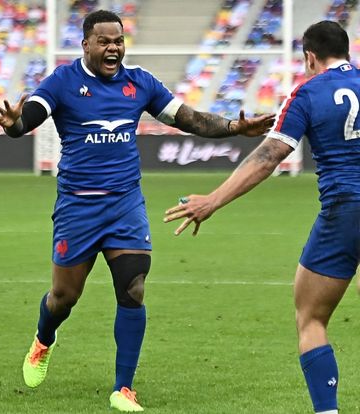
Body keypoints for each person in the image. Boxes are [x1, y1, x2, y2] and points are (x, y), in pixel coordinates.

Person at [0, 9, 275, 411]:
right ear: (86, 44)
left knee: (133, 288)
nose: (113, 48)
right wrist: (14, 125)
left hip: (125, 204)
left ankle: (123, 388)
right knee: (63, 296)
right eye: (105, 41)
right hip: (78, 206)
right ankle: (43, 339)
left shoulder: (139, 83)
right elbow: (28, 118)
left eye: (118, 41)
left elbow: (189, 119)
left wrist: (234, 127)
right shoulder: (62, 82)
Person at [164, 21, 359, 414]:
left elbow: (269, 157)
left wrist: (213, 201)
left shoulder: (307, 93)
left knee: (311, 318)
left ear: (309, 57)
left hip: (347, 210)